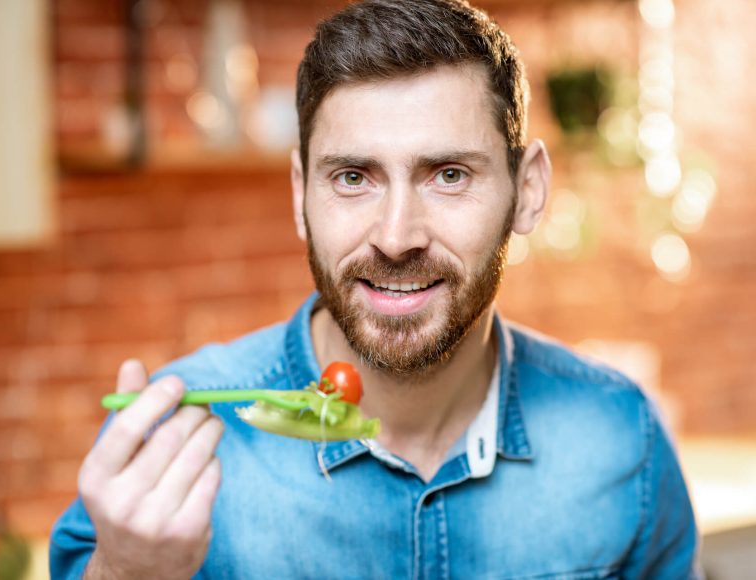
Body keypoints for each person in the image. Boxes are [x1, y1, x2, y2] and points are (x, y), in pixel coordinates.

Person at [51, 0, 701, 577]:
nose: (395, 238)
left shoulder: (620, 436)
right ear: (301, 195)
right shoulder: (171, 453)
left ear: (527, 190)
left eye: (448, 174)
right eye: (354, 178)